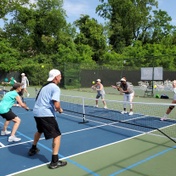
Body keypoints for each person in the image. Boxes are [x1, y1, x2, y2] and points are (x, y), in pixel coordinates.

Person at [28, 69, 67, 169]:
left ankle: (33, 148)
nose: (61, 77)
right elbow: (56, 104)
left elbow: (41, 100)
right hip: (46, 114)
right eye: (60, 76)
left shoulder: (45, 86)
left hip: (37, 112)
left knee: (40, 130)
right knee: (57, 135)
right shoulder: (55, 88)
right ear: (56, 77)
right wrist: (59, 109)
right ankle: (54, 162)